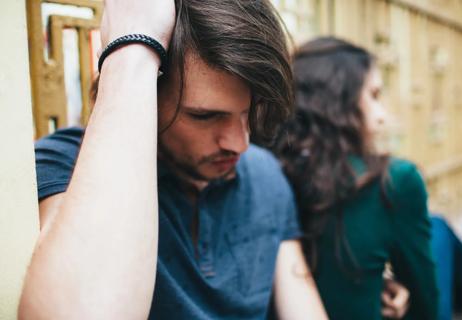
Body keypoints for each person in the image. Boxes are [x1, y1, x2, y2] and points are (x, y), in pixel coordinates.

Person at [19, 1, 329, 319]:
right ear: (148, 92)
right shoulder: (64, 165)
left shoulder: (265, 174)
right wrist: (132, 51)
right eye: (205, 116)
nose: (240, 143)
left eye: (250, 112)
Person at [273, 37, 440, 319]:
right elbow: (426, 305)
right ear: (339, 103)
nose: (382, 116)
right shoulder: (395, 181)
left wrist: (374, 282)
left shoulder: (269, 172)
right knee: (443, 234)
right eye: (374, 96)